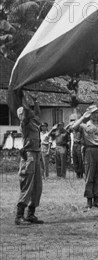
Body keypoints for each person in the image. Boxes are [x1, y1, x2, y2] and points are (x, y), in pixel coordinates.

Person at [71, 105, 98, 209]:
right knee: (89, 175)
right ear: (89, 115)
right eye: (93, 113)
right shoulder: (84, 126)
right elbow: (73, 127)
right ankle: (89, 200)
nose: (95, 115)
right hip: (89, 151)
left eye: (96, 113)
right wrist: (83, 117)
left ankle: (97, 200)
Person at [15, 94, 44, 225]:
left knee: (37, 186)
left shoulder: (34, 122)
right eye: (24, 113)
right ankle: (19, 215)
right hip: (29, 155)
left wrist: (36, 101)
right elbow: (27, 112)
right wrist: (22, 96)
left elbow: (36, 114)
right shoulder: (25, 123)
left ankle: (31, 213)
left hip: (37, 154)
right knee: (27, 185)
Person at [66, 114, 84, 179]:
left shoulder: (81, 127)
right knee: (75, 158)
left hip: (80, 144)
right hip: (74, 144)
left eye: (74, 120)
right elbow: (65, 130)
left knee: (80, 159)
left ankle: (81, 174)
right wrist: (69, 124)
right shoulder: (73, 128)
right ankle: (77, 173)